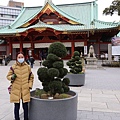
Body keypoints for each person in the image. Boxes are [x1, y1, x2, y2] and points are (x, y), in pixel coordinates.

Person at [6, 52, 34, 120]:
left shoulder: (27, 67)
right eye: (19, 57)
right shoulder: (13, 67)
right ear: (16, 58)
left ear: (24, 58)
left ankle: (26, 118)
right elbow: (8, 76)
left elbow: (31, 77)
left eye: (22, 57)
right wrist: (12, 77)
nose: (20, 58)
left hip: (25, 89)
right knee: (16, 107)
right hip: (16, 89)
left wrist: (29, 86)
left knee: (25, 107)